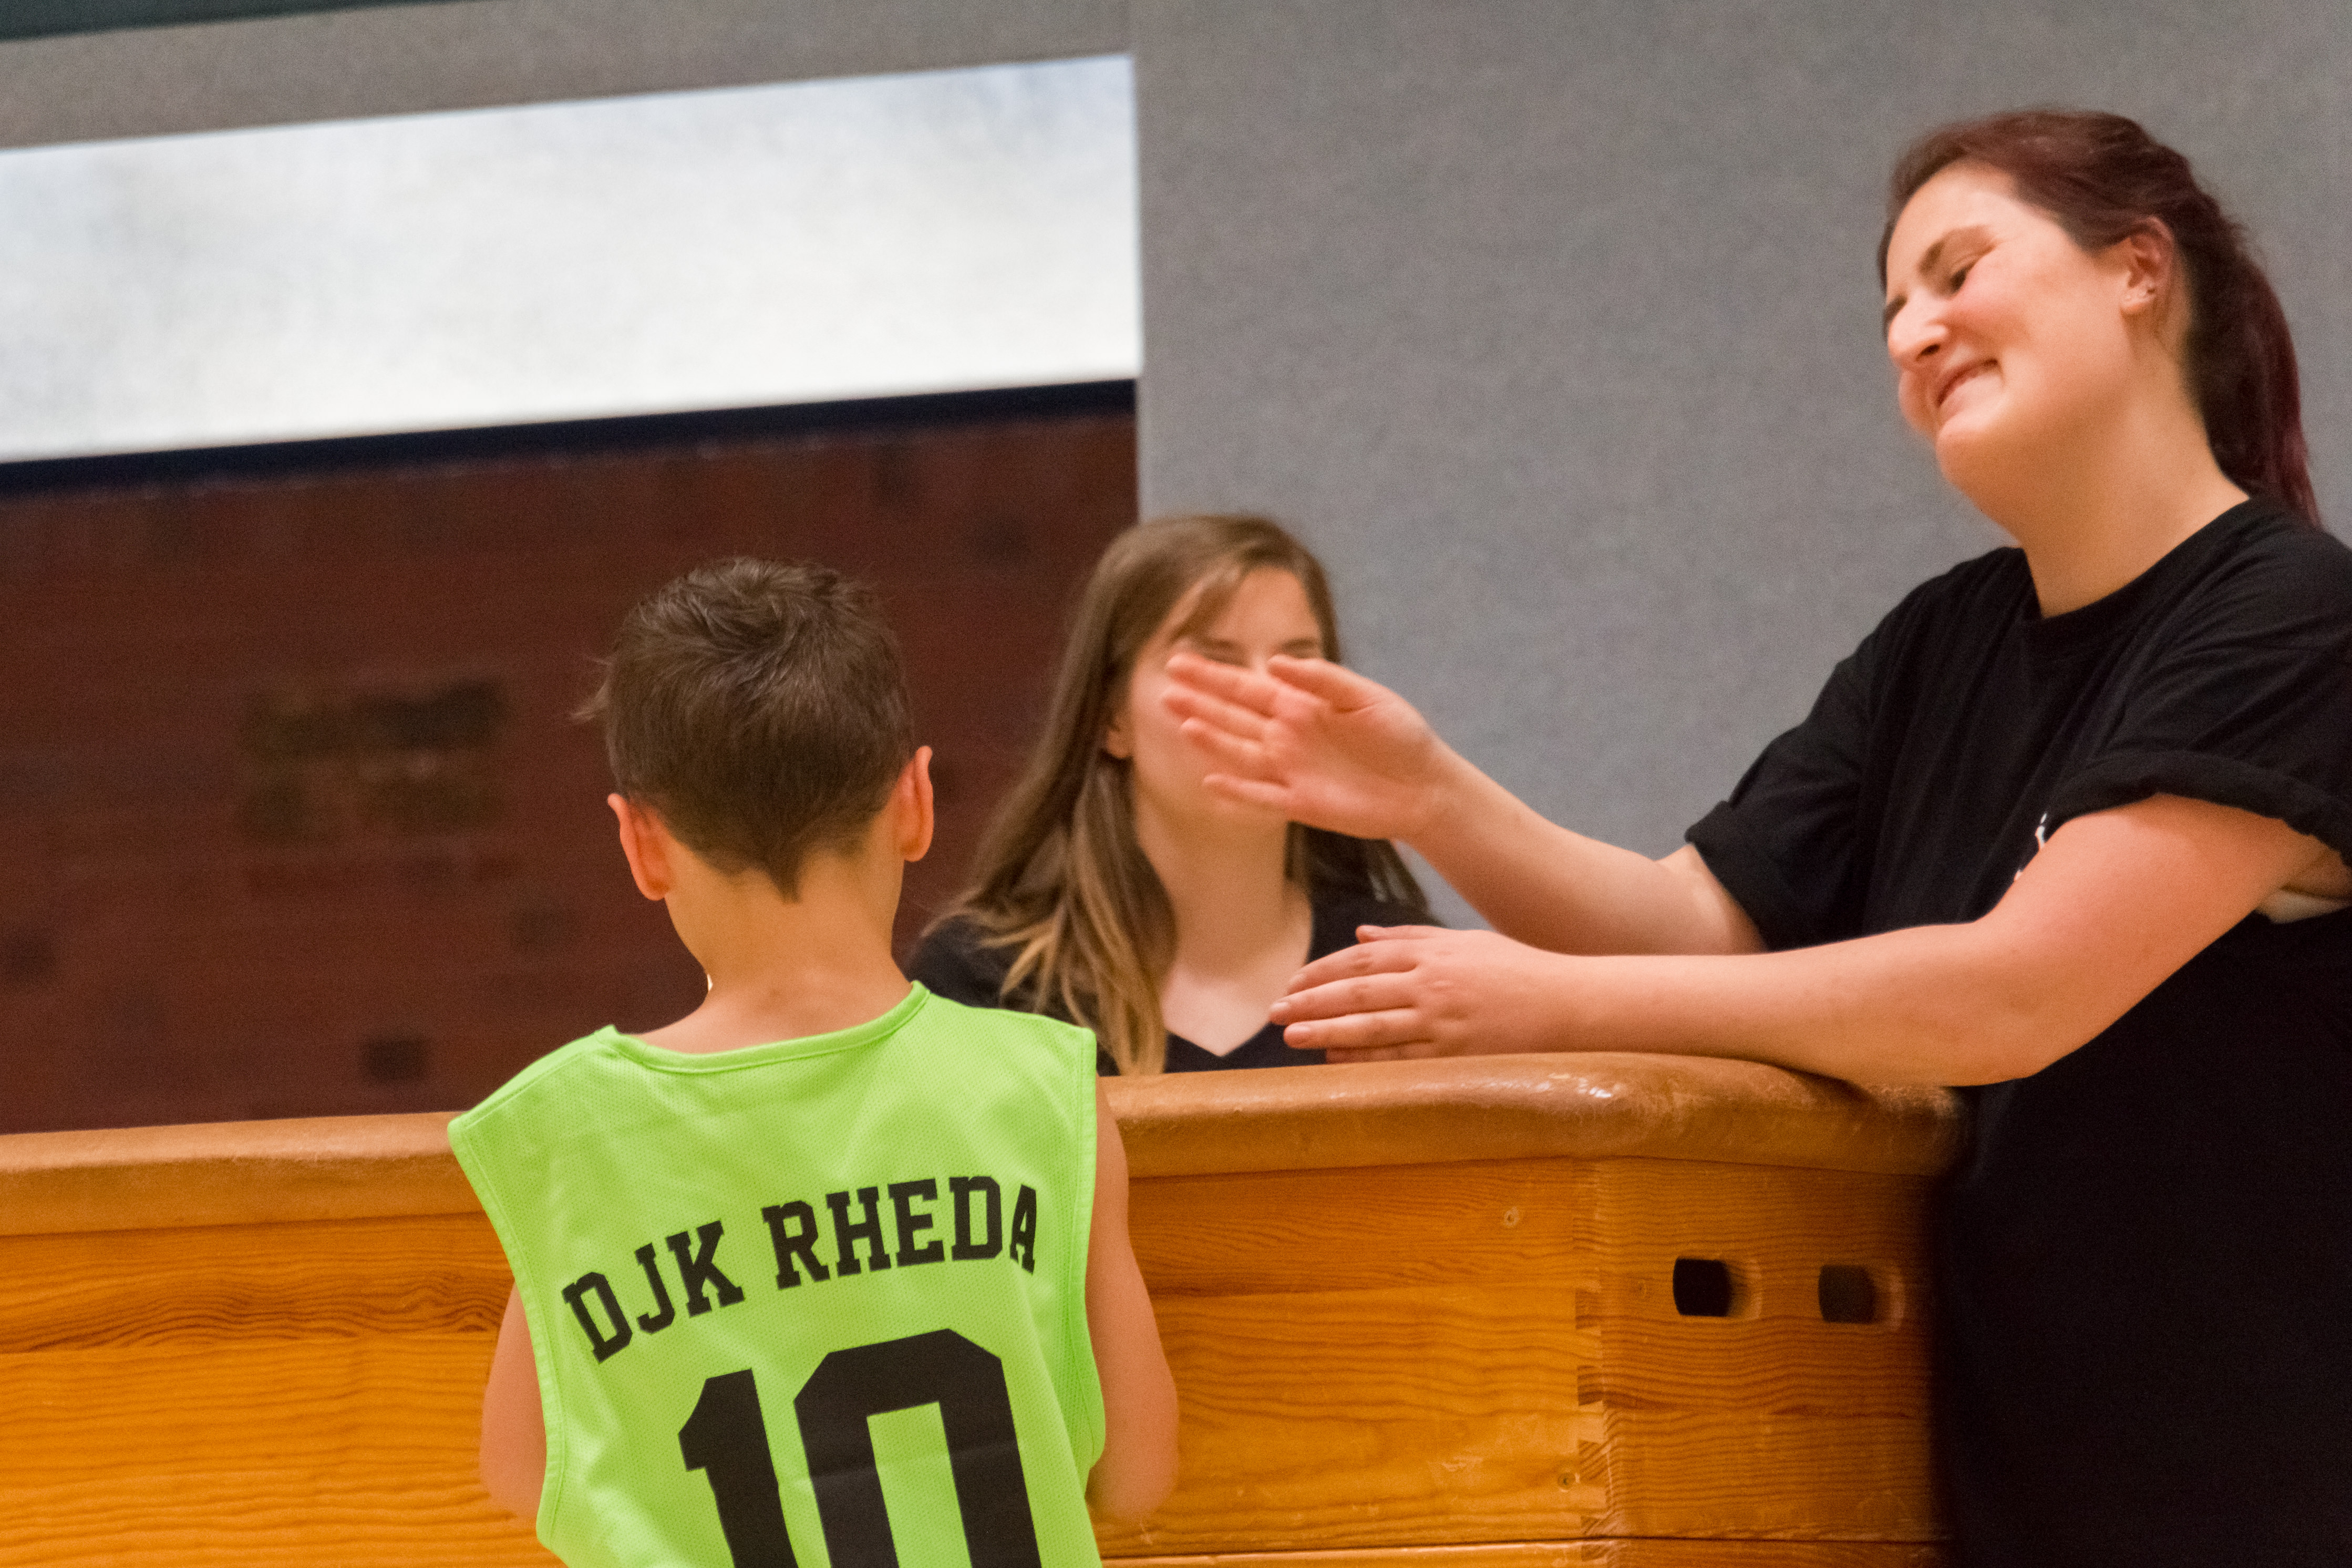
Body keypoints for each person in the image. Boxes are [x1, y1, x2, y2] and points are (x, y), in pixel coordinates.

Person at [1163, 111, 2352, 1565]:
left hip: (2254, 1487)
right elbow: (1698, 921)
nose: (1913, 333)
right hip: (2005, 1481)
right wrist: (1432, 798)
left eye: (1956, 271)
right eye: (1891, 310)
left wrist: (1555, 1008)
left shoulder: (2289, 615)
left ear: (2136, 270)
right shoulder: (1936, 644)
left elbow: (2017, 991)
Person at [449, 560, 1178, 1567]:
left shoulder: (570, 1133)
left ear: (642, 843)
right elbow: (1136, 1471)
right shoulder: (1041, 1086)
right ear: (915, 800)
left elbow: (523, 1467)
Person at [910, 514, 1431, 1075]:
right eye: (1215, 664)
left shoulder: (1402, 973)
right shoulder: (980, 988)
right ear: (1112, 717)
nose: (1262, 697)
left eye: (1297, 664)